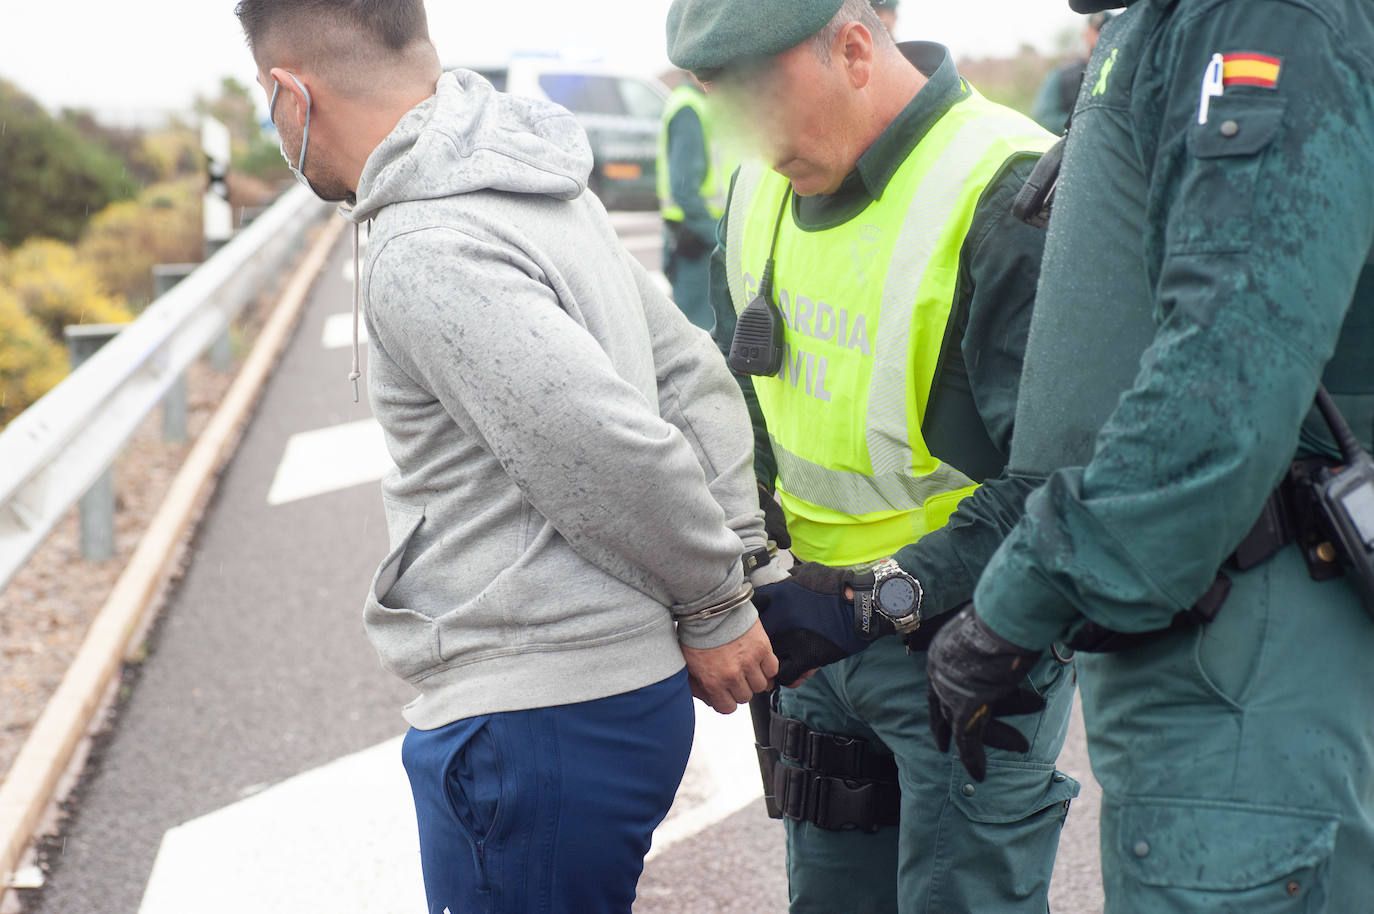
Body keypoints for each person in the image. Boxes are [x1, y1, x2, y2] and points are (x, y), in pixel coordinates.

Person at [231, 2, 794, 911]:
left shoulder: (427, 246)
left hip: (533, 716)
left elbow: (601, 448)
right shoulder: (540, 183)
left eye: (267, 106)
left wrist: (719, 600)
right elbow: (688, 370)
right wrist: (737, 546)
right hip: (597, 700)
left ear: (290, 95)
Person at [926, 0, 1374, 911]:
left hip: (1245, 646)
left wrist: (1016, 605)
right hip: (1217, 616)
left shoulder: (1256, 16)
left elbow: (1225, 373)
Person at [666, 0, 1080, 910]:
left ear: (854, 48)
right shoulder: (756, 188)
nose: (751, 141)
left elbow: (1060, 485)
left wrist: (871, 602)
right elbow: (743, 404)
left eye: (764, 105)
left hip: (972, 645)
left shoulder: (1006, 188)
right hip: (812, 640)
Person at [657, 74, 735, 330]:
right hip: (697, 241)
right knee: (700, 333)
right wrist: (716, 237)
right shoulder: (690, 108)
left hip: (697, 236)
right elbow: (684, 188)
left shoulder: (695, 104)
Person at [1028, 11, 1111, 133]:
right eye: (1097, 31)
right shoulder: (1063, 76)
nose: (1099, 37)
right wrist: (1085, 123)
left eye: (1106, 32)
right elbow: (1043, 119)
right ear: (1086, 34)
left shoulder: (1119, 74)